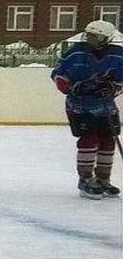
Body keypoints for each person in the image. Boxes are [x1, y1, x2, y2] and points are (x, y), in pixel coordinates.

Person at [52, 19, 123, 198]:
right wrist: (75, 87)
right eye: (89, 35)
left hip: (106, 106)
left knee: (108, 141)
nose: (89, 39)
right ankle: (85, 178)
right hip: (79, 106)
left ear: (105, 38)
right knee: (89, 139)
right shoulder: (76, 52)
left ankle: (102, 179)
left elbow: (121, 80)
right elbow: (58, 74)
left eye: (95, 36)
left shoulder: (118, 55)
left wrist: (112, 88)